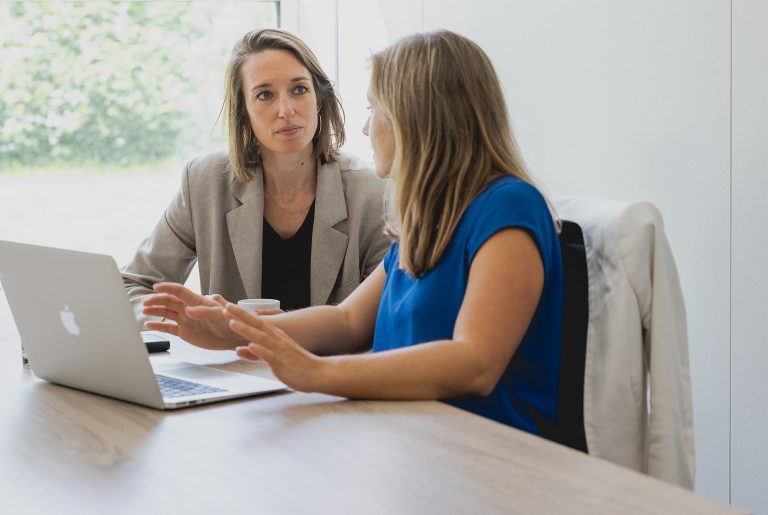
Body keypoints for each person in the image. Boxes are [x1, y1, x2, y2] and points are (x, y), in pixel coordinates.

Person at [143, 30, 564, 437]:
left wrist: (319, 373)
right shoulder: (430, 219)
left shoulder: (509, 205)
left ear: (416, 117)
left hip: (480, 451)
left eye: (373, 110)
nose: (366, 130)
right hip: (402, 434)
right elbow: (347, 322)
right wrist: (230, 327)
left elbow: (474, 363)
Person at [122, 28, 391, 322]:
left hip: (328, 365)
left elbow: (386, 320)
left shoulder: (372, 192)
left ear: (319, 100)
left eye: (299, 89)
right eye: (265, 95)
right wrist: (187, 322)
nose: (286, 110)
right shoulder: (205, 182)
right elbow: (132, 286)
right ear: (244, 115)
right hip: (228, 366)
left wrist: (287, 328)